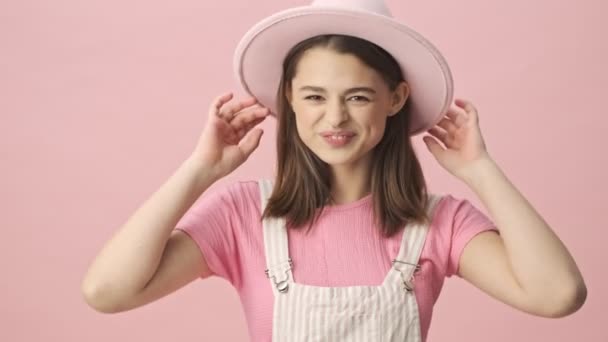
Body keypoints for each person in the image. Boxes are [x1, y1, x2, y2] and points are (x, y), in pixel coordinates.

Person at [81, 0, 587, 341]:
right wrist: (198, 170)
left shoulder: (439, 223)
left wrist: (480, 169)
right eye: (315, 97)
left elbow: (558, 296)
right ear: (290, 103)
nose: (336, 118)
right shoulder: (243, 215)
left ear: (395, 99)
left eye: (359, 97)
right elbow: (108, 292)